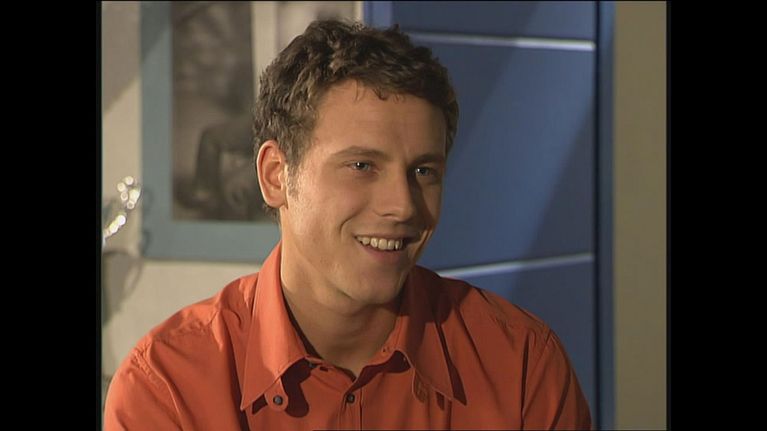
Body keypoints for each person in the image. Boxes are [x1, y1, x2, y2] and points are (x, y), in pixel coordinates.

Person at [104, 20, 592, 430]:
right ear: (275, 176)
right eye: (362, 166)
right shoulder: (169, 389)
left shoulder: (521, 364)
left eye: (424, 171)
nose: (403, 206)